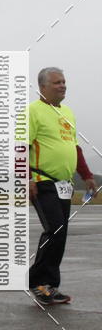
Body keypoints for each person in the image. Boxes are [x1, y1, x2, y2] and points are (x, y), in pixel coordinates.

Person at [29, 67, 97, 306]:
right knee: (55, 229)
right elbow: (18, 147)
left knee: (61, 234)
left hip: (63, 185)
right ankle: (38, 283)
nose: (63, 86)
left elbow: (74, 148)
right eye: (57, 82)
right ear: (43, 87)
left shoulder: (67, 112)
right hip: (41, 181)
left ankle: (49, 285)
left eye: (64, 82)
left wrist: (87, 176)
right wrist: (26, 178)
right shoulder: (32, 111)